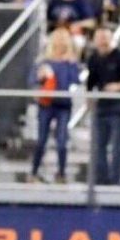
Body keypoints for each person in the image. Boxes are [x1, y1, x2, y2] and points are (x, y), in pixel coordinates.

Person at [29, 28, 81, 183]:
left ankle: (61, 173)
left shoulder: (71, 64)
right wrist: (41, 79)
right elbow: (33, 82)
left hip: (63, 105)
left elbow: (75, 83)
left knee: (62, 141)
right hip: (46, 105)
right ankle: (34, 172)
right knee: (41, 140)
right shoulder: (42, 62)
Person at [86, 27, 120, 185]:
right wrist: (90, 99)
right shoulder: (93, 59)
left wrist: (117, 86)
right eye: (99, 38)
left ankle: (116, 179)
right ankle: (100, 179)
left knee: (117, 145)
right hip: (101, 106)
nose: (102, 41)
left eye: (105, 38)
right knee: (99, 145)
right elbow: (91, 82)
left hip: (118, 107)